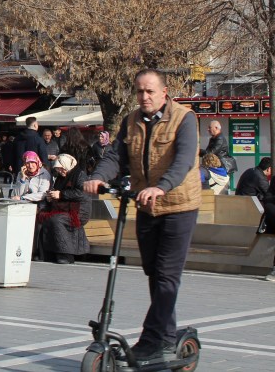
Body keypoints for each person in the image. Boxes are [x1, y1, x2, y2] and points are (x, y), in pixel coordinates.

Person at [84, 69, 200, 364]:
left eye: (150, 91)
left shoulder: (184, 118)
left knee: (167, 275)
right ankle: (167, 337)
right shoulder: (131, 121)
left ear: (164, 92)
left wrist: (161, 187)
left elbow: (184, 160)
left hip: (178, 206)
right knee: (154, 273)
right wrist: (98, 177)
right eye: (139, 91)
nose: (144, 97)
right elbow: (116, 156)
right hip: (146, 206)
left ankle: (151, 340)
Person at [37, 153, 90, 264]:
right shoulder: (61, 178)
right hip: (64, 208)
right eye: (58, 169)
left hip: (80, 210)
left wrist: (61, 194)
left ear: (67, 165)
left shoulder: (80, 175)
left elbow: (82, 194)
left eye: (62, 168)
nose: (60, 171)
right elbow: (57, 192)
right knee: (44, 217)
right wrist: (51, 197)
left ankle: (65, 255)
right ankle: (47, 254)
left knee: (56, 220)